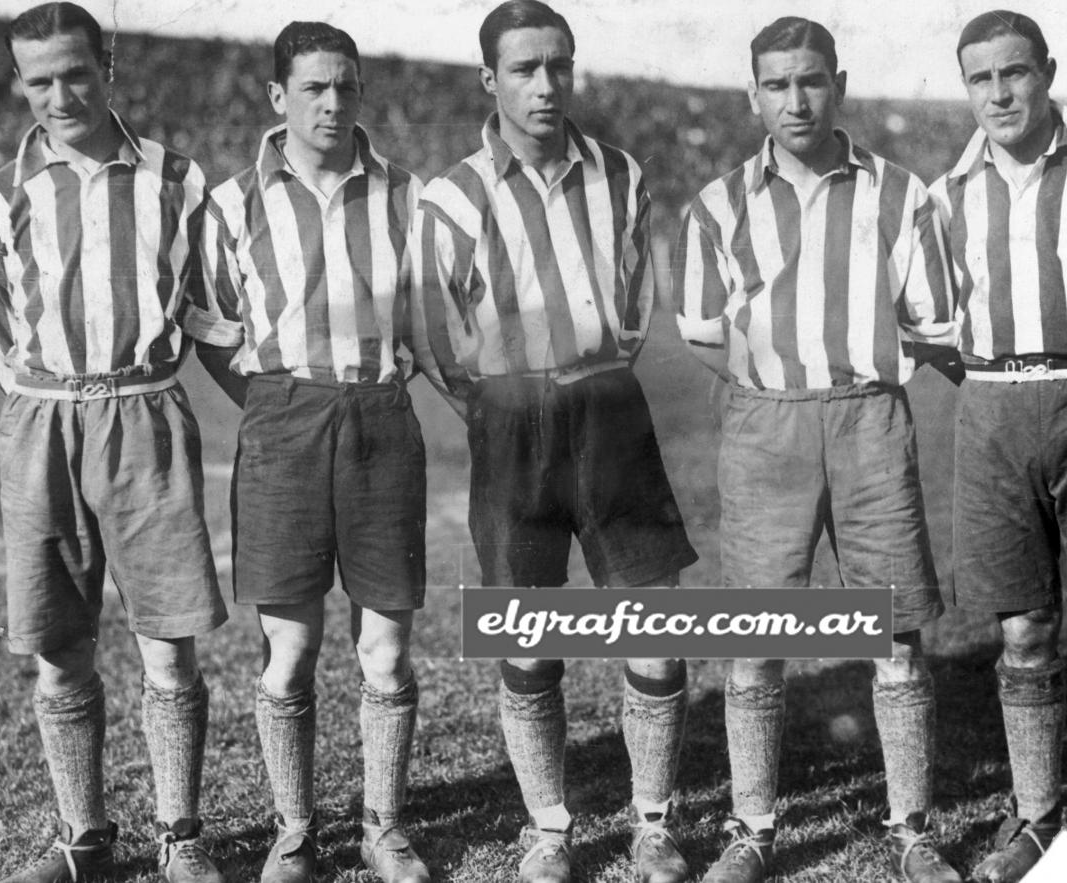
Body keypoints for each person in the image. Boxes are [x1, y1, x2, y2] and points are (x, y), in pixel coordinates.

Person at [410, 2, 699, 881]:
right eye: (525, 68)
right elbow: (433, 334)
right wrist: (500, 408)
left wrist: (591, 378)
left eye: (559, 65)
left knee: (652, 621)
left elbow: (635, 302)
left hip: (609, 409)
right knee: (527, 634)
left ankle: (654, 822)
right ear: (489, 79)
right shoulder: (451, 194)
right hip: (510, 422)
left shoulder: (620, 172)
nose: (545, 85)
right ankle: (549, 827)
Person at [672, 16, 962, 883]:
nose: (794, 100)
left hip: (871, 417)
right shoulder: (719, 204)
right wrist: (771, 388)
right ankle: (753, 826)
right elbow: (698, 330)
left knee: (896, 632)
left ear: (838, 82)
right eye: (775, 84)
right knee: (757, 634)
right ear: (752, 94)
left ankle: (910, 826)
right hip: (767, 423)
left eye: (809, 81)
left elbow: (931, 319)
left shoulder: (903, 195)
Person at [0, 3, 227, 882]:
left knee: (168, 639)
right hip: (43, 422)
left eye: (76, 73)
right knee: (58, 644)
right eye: (39, 80)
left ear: (106, 66)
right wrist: (38, 404)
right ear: (17, 84)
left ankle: (179, 832)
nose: (61, 93)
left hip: (145, 415)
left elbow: (201, 311)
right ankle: (84, 839)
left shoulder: (178, 182)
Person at [187, 20, 429, 883]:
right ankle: (294, 829)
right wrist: (271, 402)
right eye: (315, 87)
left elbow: (432, 323)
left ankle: (385, 826)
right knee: (288, 650)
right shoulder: (229, 203)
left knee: (387, 649)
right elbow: (211, 330)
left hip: (381, 420)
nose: (333, 103)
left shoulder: (406, 193)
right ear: (277, 96)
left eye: (348, 86)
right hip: (284, 419)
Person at [930, 10, 1067, 882]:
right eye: (981, 78)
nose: (1000, 93)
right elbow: (934, 326)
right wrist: (1003, 383)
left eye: (1015, 73)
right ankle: (1035, 814)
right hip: (991, 401)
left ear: (1048, 71)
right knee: (1023, 626)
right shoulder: (947, 194)